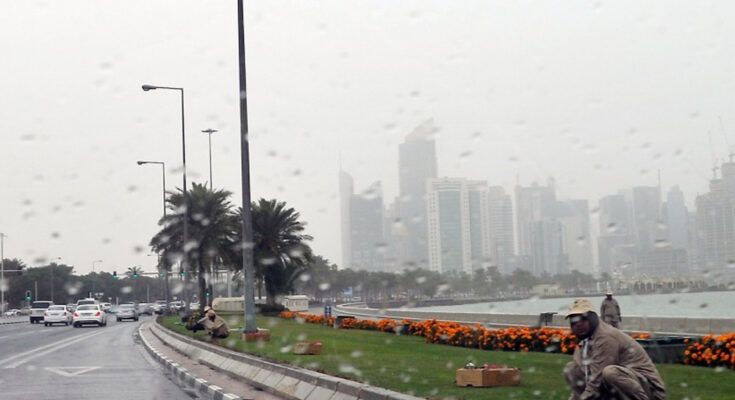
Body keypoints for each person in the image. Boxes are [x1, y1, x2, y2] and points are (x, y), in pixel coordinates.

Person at [563, 298, 665, 400]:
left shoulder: (606, 337)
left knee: (610, 373)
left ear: (592, 318)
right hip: (620, 385)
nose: (578, 324)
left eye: (583, 319)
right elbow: (588, 378)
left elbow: (596, 382)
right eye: (574, 321)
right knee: (572, 369)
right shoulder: (586, 341)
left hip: (649, 390)